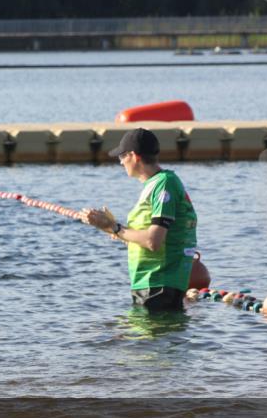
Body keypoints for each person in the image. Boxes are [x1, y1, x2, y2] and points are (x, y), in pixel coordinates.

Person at [81, 128, 198, 313]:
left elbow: (153, 241)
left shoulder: (163, 184)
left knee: (144, 339)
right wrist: (110, 228)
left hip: (158, 285)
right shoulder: (156, 184)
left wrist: (114, 227)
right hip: (151, 284)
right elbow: (148, 237)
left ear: (134, 156)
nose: (120, 162)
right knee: (140, 339)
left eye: (121, 156)